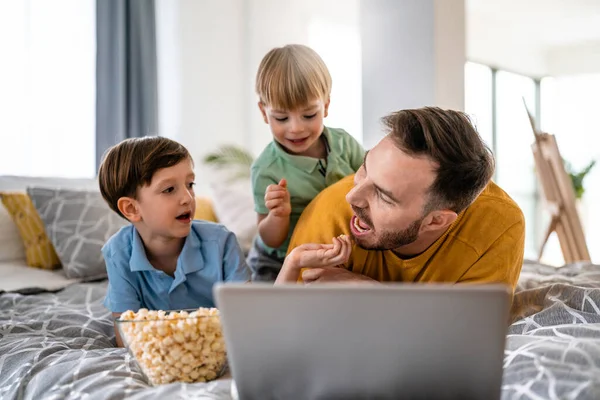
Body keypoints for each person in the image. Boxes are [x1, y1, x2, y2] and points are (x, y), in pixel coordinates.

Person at [277, 107, 525, 290]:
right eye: (364, 169)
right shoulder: (328, 212)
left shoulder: (499, 226)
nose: (352, 196)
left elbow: (468, 333)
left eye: (384, 196)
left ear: (436, 220)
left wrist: (374, 294)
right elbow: (289, 332)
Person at [98, 137, 250, 346]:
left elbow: (247, 321)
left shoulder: (222, 242)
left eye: (190, 184)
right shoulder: (118, 253)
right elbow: (127, 337)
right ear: (132, 209)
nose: (187, 197)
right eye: (169, 189)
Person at [248, 44, 365, 281]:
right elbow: (270, 239)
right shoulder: (266, 169)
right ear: (263, 112)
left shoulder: (344, 144)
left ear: (326, 106)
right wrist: (278, 216)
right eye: (281, 118)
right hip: (279, 258)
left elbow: (369, 182)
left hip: (334, 250)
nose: (296, 128)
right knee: (271, 310)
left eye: (309, 115)